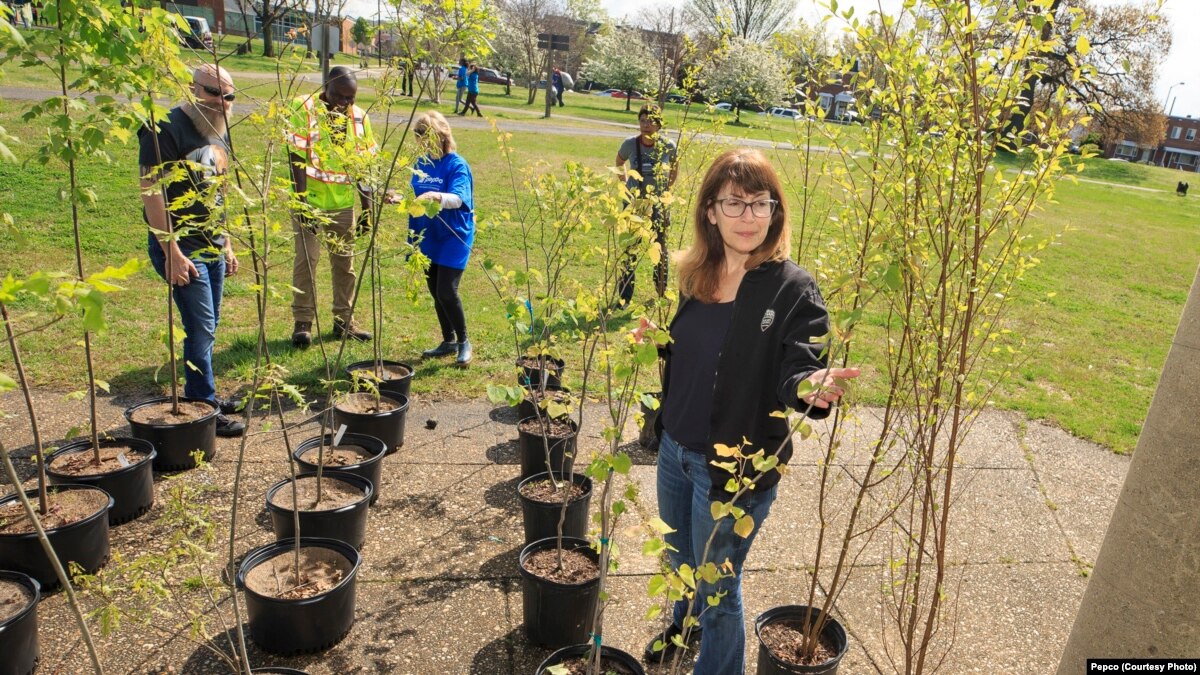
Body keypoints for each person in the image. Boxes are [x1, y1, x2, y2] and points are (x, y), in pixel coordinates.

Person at [643, 148, 860, 673]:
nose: (749, 217)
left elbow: (796, 366)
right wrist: (659, 343)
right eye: (735, 203)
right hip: (675, 451)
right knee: (680, 562)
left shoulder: (792, 289)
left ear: (775, 212)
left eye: (761, 204)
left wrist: (808, 385)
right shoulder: (698, 273)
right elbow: (700, 352)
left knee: (717, 588)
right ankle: (681, 625)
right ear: (710, 212)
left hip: (734, 472)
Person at [138, 64, 245, 437]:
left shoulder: (219, 127)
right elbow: (151, 192)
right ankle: (204, 405)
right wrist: (172, 252)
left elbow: (222, 189)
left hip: (213, 242)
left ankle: (205, 396)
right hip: (182, 245)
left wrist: (228, 242)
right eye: (214, 93)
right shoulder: (163, 128)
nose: (222, 102)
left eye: (228, 95)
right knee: (200, 329)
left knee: (210, 326)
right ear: (192, 89)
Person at [284, 65, 378, 347]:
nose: (344, 103)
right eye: (339, 95)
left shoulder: (360, 118)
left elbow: (364, 167)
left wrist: (367, 209)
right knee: (307, 260)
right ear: (325, 86)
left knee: (344, 263)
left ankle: (344, 321)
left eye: (351, 98)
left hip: (341, 203)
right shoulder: (303, 107)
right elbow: (296, 157)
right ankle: (303, 322)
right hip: (308, 201)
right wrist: (301, 204)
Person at [408, 111, 475, 366]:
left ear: (441, 137)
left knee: (447, 290)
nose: (423, 145)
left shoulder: (456, 165)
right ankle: (447, 341)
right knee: (435, 291)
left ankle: (464, 341)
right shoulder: (422, 163)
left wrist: (435, 197)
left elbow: (458, 199)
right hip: (428, 233)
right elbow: (414, 194)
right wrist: (398, 198)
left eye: (427, 139)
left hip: (454, 235)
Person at [614, 103, 677, 306]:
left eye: (650, 121)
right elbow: (619, 162)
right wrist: (624, 186)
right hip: (635, 204)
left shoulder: (668, 145)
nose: (646, 125)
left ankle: (661, 292)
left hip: (658, 204)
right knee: (630, 249)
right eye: (642, 121)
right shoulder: (630, 144)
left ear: (659, 124)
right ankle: (624, 296)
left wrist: (666, 189)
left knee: (659, 248)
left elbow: (675, 167)